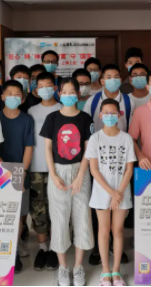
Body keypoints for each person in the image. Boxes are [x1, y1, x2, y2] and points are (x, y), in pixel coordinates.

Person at [42, 78, 94, 286]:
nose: (69, 95)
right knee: (59, 219)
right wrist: (53, 175)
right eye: (65, 92)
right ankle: (63, 268)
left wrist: (81, 175)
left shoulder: (85, 118)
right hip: (58, 171)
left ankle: (78, 267)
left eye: (73, 92)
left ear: (78, 94)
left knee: (82, 218)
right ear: (59, 93)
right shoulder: (52, 118)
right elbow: (47, 148)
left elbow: (88, 149)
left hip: (81, 170)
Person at [85, 99, 136, 287]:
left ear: (119, 115)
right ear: (100, 115)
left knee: (118, 230)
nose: (109, 116)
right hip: (102, 192)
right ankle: (105, 271)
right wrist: (111, 193)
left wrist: (119, 192)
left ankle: (116, 271)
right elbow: (94, 170)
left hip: (122, 191)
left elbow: (129, 169)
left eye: (113, 112)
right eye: (105, 113)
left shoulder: (126, 138)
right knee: (104, 231)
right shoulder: (95, 138)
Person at [0, 80, 34, 274]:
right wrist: (4, 169)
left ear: (23, 98)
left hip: (20, 171)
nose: (13, 97)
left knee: (17, 214)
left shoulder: (27, 120)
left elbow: (29, 147)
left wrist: (21, 172)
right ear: (2, 97)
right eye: (9, 94)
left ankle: (13, 251)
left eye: (17, 94)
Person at [28, 72, 62, 271]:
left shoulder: (63, 108)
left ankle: (56, 249)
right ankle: (43, 248)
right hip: (36, 168)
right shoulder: (31, 111)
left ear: (55, 88)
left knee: (57, 208)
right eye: (40, 86)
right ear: (36, 89)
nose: (45, 89)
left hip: (59, 168)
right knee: (38, 209)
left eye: (48, 85)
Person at [83, 64, 135, 133]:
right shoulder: (92, 102)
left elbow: (133, 127)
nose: (113, 80)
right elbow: (85, 126)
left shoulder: (129, 102)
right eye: (109, 77)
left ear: (120, 80)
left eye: (116, 77)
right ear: (102, 81)